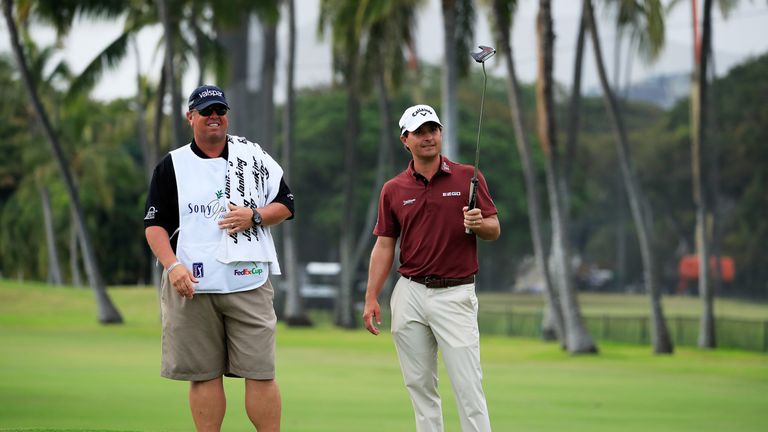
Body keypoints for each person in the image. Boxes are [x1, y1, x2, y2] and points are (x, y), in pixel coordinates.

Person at [143, 84, 294, 432]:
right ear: (190, 116)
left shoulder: (253, 158)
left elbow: (286, 204)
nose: (214, 117)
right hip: (192, 284)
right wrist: (173, 267)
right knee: (203, 374)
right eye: (207, 111)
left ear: (227, 116)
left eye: (220, 111)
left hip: (249, 280)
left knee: (260, 372)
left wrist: (253, 216)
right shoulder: (172, 166)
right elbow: (154, 226)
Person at [362, 104, 500, 432]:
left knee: (469, 388)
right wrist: (371, 297)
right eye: (420, 132)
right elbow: (384, 245)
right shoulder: (394, 189)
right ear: (405, 140)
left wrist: (479, 224)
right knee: (420, 388)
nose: (428, 137)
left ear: (440, 134)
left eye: (433, 130)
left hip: (455, 294)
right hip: (409, 292)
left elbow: (494, 228)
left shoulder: (469, 176)